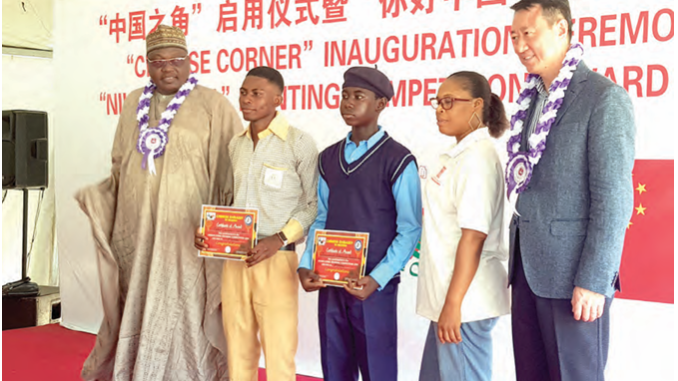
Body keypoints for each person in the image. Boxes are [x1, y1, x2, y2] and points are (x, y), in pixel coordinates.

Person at [76, 25, 243, 381]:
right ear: (146, 65)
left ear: (189, 60)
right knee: (136, 297)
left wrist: (224, 230)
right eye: (158, 61)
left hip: (188, 236)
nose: (168, 68)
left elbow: (233, 172)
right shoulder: (132, 101)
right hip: (138, 231)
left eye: (176, 60)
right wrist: (100, 198)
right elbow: (120, 163)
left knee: (188, 304)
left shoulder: (213, 103)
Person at [506, 1, 636, 380]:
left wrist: (595, 281)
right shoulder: (530, 101)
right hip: (527, 271)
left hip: (573, 278)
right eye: (514, 36)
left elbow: (613, 199)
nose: (519, 45)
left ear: (560, 28)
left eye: (528, 34)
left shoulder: (603, 98)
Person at [297, 66, 422, 381]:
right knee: (334, 368)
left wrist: (377, 278)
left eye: (358, 96)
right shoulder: (328, 158)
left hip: (373, 288)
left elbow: (409, 229)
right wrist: (307, 263)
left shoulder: (397, 159)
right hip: (331, 281)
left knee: (377, 369)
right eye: (345, 95)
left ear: (380, 104)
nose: (348, 103)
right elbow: (322, 218)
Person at [195, 66, 319, 381]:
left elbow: (313, 205)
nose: (247, 100)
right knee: (238, 344)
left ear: (278, 98)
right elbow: (229, 200)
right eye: (243, 92)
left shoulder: (298, 143)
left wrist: (279, 238)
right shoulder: (235, 145)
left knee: (279, 347)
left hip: (277, 258)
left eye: (256, 94)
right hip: (235, 258)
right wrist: (209, 233)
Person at [416, 71, 511, 381]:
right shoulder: (458, 155)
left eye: (449, 101)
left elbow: (473, 236)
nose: (440, 109)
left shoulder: (477, 158)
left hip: (464, 304)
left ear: (476, 105)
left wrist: (454, 305)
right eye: (437, 102)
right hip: (449, 299)